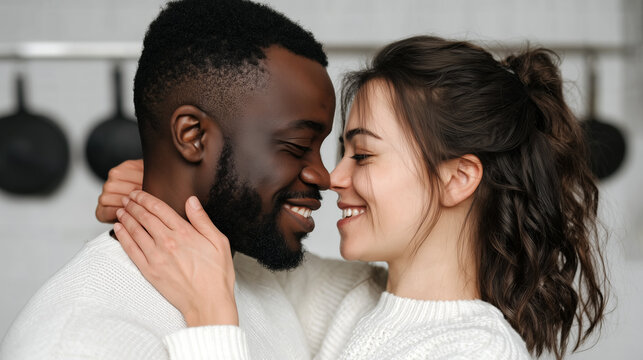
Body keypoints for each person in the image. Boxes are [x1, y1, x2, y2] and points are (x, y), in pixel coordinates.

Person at [110, 36, 608, 359]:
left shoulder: (475, 351)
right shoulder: (351, 297)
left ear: (458, 178)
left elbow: (216, 292)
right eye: (341, 151)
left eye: (363, 155)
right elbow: (232, 266)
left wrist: (211, 324)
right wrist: (166, 190)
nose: (332, 177)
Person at [0, 1, 386, 359]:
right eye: (298, 144)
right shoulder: (75, 344)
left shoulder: (257, 280)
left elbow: (402, 299)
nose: (324, 176)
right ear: (192, 136)